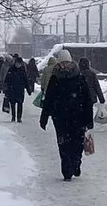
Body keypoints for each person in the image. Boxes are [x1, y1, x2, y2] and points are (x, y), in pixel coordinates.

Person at [40, 49, 93, 180]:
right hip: (60, 118)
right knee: (63, 144)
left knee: (77, 143)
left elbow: (87, 100)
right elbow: (49, 99)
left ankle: (76, 163)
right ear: (57, 64)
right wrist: (44, 117)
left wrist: (89, 119)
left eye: (66, 63)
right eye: (61, 63)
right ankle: (66, 170)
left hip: (78, 117)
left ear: (71, 63)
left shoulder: (80, 78)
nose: (64, 66)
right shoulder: (55, 78)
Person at [3, 55, 33, 123]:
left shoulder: (22, 70)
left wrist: (29, 90)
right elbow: (7, 79)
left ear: (21, 63)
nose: (18, 65)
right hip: (12, 89)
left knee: (20, 104)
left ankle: (19, 117)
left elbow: (26, 81)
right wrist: (5, 88)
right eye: (17, 63)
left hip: (20, 90)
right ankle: (13, 117)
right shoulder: (11, 69)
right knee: (12, 104)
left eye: (19, 63)